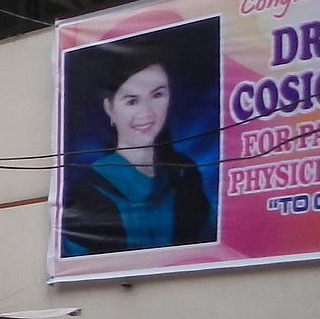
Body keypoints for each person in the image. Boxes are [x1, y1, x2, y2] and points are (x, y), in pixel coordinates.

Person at [61, 43, 217, 256]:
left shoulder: (185, 176)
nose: (147, 112)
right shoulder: (87, 191)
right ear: (110, 108)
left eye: (157, 95)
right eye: (132, 101)